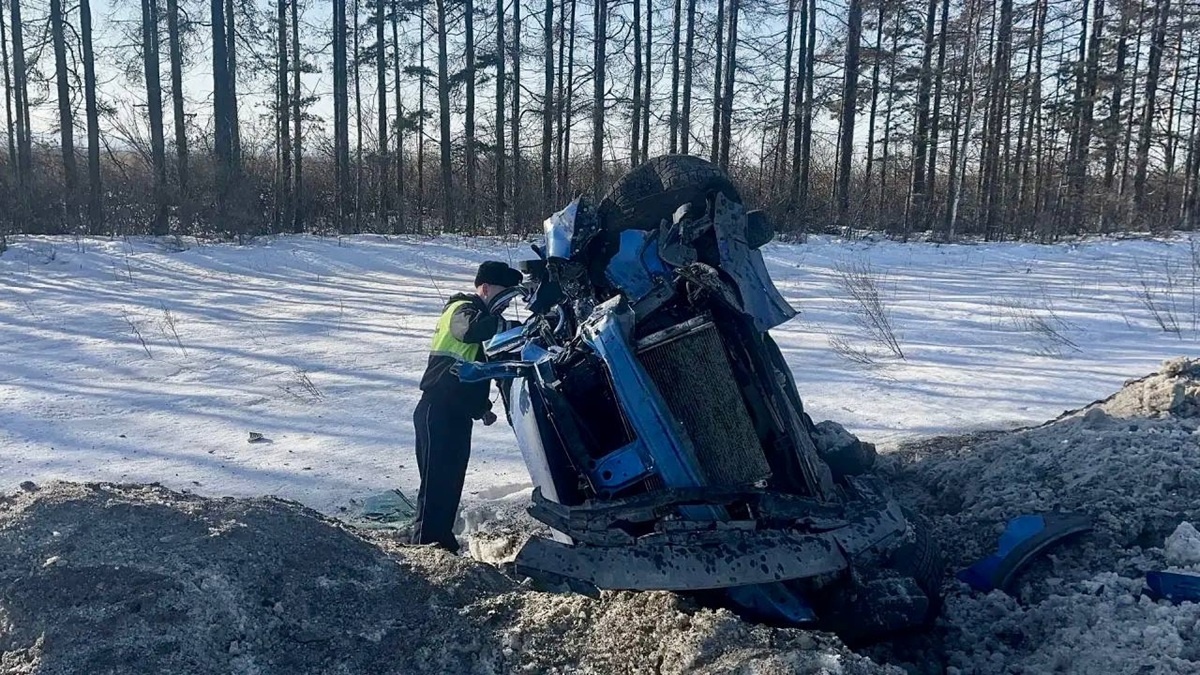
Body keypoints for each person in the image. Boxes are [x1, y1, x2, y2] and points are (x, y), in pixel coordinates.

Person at [411, 260, 524, 553]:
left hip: (455, 413)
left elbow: (469, 371)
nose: (503, 305)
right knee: (436, 485)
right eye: (502, 296)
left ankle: (441, 542)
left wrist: (481, 407)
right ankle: (426, 548)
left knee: (450, 483)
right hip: (437, 411)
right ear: (485, 288)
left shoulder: (477, 315)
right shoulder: (461, 310)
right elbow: (469, 331)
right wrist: (512, 327)